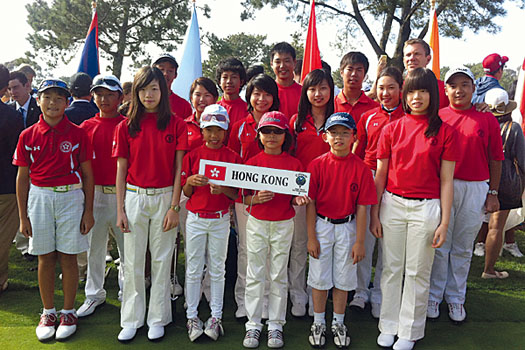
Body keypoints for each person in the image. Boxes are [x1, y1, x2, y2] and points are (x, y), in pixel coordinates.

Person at [371, 67, 456, 350]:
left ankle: (409, 330)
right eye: (411, 91)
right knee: (392, 269)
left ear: (433, 94)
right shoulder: (391, 128)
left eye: (423, 91)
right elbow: (380, 176)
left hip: (427, 208)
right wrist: (374, 213)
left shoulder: (445, 132)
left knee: (418, 271)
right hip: (392, 204)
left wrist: (444, 222)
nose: (416, 97)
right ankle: (389, 325)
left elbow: (446, 180)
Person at [13, 78, 95, 341]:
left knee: (69, 256)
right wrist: (23, 216)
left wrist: (89, 211)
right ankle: (49, 311)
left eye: (59, 98)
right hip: (39, 197)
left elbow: (88, 175)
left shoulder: (78, 133)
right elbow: (22, 177)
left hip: (71, 196)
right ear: (39, 100)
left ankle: (68, 311)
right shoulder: (27, 135)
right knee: (45, 257)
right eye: (47, 97)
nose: (53, 103)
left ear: (67, 102)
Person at [113, 66, 187, 342]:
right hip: (134, 196)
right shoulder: (125, 126)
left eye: (154, 89)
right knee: (132, 261)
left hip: (165, 196)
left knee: (161, 259)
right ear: (136, 93)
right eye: (143, 89)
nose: (148, 95)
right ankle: (131, 318)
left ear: (163, 91)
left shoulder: (176, 124)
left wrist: (175, 206)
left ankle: (158, 317)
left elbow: (180, 169)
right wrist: (120, 208)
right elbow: (121, 169)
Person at [428, 66, 504, 324]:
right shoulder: (437, 117)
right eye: (453, 85)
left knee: (462, 246)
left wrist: (493, 192)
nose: (459, 90)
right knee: (440, 243)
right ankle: (434, 295)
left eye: (464, 85)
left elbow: (496, 158)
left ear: (473, 89)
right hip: (442, 187)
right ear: (446, 90)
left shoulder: (487, 119)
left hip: (475, 187)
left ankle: (456, 297)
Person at [307, 112, 376, 349]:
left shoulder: (362, 168)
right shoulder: (316, 165)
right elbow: (311, 203)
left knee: (344, 278)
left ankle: (338, 321)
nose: (339, 138)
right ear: (325, 137)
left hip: (347, 226)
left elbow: (362, 207)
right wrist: (311, 237)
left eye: (345, 133)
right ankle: (318, 322)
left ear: (354, 137)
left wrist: (360, 241)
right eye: (334, 133)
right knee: (319, 276)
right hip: (322, 225)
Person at [242, 111, 309, 349]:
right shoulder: (251, 163)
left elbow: (295, 196)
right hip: (258, 222)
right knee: (255, 273)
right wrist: (257, 199)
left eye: (277, 132)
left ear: (285, 136)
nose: (271, 136)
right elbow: (243, 198)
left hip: (283, 223)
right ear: (259, 135)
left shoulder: (294, 164)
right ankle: (253, 324)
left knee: (279, 274)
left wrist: (297, 201)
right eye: (266, 131)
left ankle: (276, 325)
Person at [182, 104, 241, 342]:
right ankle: (192, 315)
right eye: (209, 130)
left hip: (220, 220)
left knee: (218, 270)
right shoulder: (192, 155)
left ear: (226, 131)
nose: (214, 136)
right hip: (195, 219)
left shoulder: (233, 157)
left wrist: (223, 188)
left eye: (219, 130)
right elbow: (185, 191)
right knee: (194, 269)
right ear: (202, 130)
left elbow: (236, 194)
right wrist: (192, 182)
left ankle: (216, 316)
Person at [350, 66, 405, 318]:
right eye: (381, 88)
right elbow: (357, 152)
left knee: (388, 240)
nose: (385, 93)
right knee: (365, 237)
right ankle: (361, 291)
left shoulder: (410, 116)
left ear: (401, 89)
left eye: (391, 87)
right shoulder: (368, 117)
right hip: (369, 178)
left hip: (397, 182)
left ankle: (381, 292)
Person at [229, 73, 280, 318]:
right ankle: (245, 301)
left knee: (270, 252)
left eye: (267, 93)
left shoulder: (280, 124)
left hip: (273, 199)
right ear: (248, 96)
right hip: (245, 199)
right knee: (246, 249)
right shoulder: (240, 125)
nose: (261, 99)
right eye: (256, 93)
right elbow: (233, 163)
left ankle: (268, 303)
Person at [76, 75, 126, 317]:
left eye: (109, 94)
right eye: (99, 94)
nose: (104, 99)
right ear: (93, 96)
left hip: (123, 195)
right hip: (94, 195)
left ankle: (128, 292)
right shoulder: (85, 128)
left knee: (128, 249)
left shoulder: (128, 125)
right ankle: (94, 294)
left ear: (120, 97)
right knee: (94, 249)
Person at [289, 68, 335, 317]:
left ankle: (318, 292)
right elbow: (289, 159)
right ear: (305, 92)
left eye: (323, 88)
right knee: (299, 246)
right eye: (312, 89)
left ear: (331, 90)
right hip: (300, 194)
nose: (317, 94)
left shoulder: (338, 120)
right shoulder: (296, 121)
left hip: (330, 193)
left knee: (324, 248)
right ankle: (298, 294)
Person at [481, 88, 525, 278]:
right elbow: (522, 159)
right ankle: (489, 270)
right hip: (505, 179)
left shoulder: (480, 123)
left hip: (479, 174)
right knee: (497, 226)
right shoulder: (513, 128)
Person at [7, 70, 41, 261]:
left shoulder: (40, 108)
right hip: (16, 166)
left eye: (16, 87)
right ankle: (24, 246)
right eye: (10, 88)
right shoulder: (9, 110)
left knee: (35, 205)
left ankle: (36, 243)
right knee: (21, 204)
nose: (13, 92)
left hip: (38, 166)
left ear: (27, 86)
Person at [0, 64, 24, 294]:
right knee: (3, 237)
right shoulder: (12, 115)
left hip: (7, 184)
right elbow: (16, 153)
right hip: (7, 183)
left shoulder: (12, 114)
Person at [334, 52, 379, 128]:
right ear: (341, 72)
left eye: (359, 70)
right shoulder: (331, 105)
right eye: (350, 69)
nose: (354, 74)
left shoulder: (375, 108)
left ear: (365, 75)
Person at [403, 38, 449, 109]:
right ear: (404, 60)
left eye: (417, 54)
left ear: (428, 59)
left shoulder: (444, 90)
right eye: (408, 55)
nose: (412, 58)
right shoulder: (396, 88)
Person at [152, 53, 192, 119]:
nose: (165, 74)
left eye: (170, 71)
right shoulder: (145, 101)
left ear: (175, 75)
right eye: (161, 69)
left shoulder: (184, 106)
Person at [270, 42, 302, 119]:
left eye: (287, 61)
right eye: (278, 62)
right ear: (271, 64)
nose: (282, 66)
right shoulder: (267, 92)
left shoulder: (304, 92)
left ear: (294, 63)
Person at [186, 77, 219, 151]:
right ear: (191, 98)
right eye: (198, 95)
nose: (202, 99)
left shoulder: (221, 124)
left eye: (207, 95)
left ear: (215, 98)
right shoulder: (184, 126)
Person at [216, 57, 248, 128]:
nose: (229, 81)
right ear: (219, 82)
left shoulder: (248, 110)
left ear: (241, 82)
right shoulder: (213, 110)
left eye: (234, 77)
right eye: (225, 77)